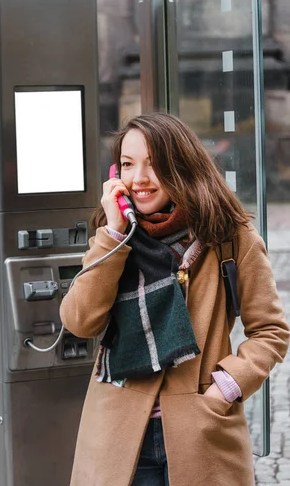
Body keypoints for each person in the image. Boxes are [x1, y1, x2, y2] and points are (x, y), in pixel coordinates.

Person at [60, 111, 290, 486]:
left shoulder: (231, 237)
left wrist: (226, 388)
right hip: (118, 437)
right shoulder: (115, 235)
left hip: (199, 432)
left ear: (181, 166)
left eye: (154, 165)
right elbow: (79, 320)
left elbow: (270, 331)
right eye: (128, 165)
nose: (139, 179)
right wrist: (114, 236)